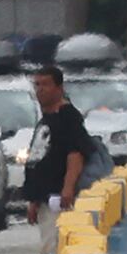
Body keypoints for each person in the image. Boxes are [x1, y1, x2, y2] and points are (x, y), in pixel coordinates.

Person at [25, 64, 97, 241]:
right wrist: (33, 200)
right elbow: (39, 157)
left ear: (59, 88)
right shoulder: (46, 119)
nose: (40, 90)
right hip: (44, 199)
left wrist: (68, 188)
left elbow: (75, 154)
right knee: (47, 247)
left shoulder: (68, 117)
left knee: (54, 250)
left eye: (46, 84)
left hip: (58, 199)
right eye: (37, 85)